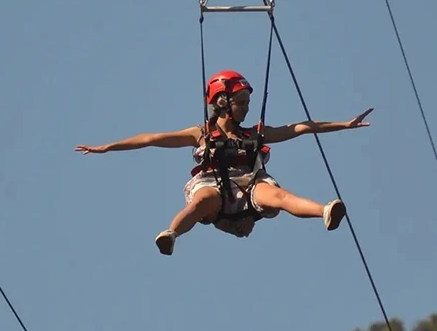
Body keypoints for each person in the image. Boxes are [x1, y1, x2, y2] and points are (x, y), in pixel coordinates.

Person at [75, 69, 373, 256]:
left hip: (250, 184)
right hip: (213, 187)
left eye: (247, 103)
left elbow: (300, 127)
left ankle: (324, 211)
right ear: (222, 103)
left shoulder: (255, 133)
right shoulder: (201, 133)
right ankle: (171, 234)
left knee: (278, 196)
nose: (246, 108)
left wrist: (342, 125)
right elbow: (152, 138)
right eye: (240, 103)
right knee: (202, 200)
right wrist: (108, 148)